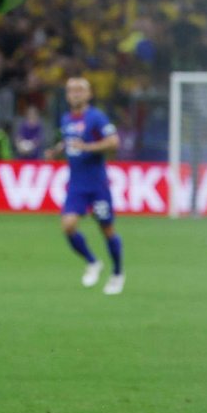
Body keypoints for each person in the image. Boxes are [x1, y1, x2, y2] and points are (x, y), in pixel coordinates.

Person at [46, 76, 124, 295]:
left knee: (106, 229)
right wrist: (57, 150)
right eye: (71, 90)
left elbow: (114, 142)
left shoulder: (96, 117)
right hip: (77, 185)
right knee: (68, 226)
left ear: (89, 94)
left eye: (80, 89)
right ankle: (93, 262)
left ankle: (117, 273)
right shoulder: (66, 119)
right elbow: (70, 141)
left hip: (97, 184)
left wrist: (87, 147)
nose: (75, 93)